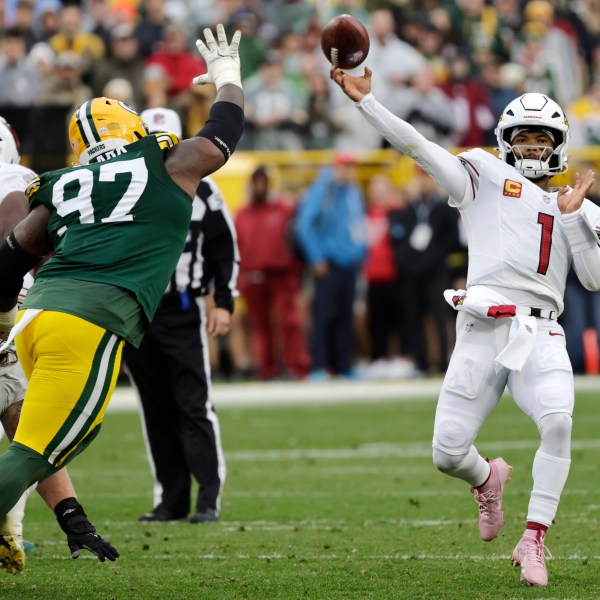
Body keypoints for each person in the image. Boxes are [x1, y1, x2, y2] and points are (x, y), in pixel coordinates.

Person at [331, 64, 600, 587]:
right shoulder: (483, 176)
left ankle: (534, 538)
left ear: (560, 144)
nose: (531, 146)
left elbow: (591, 282)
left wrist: (572, 220)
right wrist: (366, 101)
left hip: (541, 331)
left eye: (541, 137)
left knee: (560, 421)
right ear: (504, 141)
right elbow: (419, 148)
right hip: (482, 327)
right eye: (521, 136)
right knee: (448, 452)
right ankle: (487, 478)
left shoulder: (580, 207)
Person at [0, 24, 244, 556]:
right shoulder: (168, 163)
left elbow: (14, 253)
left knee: (30, 444)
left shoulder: (63, 183)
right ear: (132, 127)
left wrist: (3, 321)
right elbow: (223, 134)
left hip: (35, 321)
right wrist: (228, 78)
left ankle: (70, 524)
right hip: (88, 323)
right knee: (36, 453)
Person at [0, 116, 118, 573]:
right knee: (26, 416)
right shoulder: (17, 180)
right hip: (16, 307)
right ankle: (13, 526)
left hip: (14, 311)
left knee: (20, 411)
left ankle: (15, 526)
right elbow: (16, 219)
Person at [123, 106, 238, 524]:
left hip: (181, 309)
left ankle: (207, 497)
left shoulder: (204, 191)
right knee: (154, 407)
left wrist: (222, 300)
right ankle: (171, 499)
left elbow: (224, 247)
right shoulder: (127, 186)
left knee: (193, 404)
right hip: (138, 310)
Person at [295, 152, 367, 380]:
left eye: (350, 167)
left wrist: (361, 254)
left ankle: (344, 365)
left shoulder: (354, 192)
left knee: (346, 316)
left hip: (349, 263)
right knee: (324, 315)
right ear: (335, 167)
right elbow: (304, 226)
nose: (348, 171)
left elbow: (358, 226)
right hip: (328, 263)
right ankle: (318, 365)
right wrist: (316, 258)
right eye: (344, 166)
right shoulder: (323, 190)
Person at [234, 165, 310, 380]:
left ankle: (296, 367)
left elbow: (298, 240)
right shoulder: (242, 214)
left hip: (282, 275)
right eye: (256, 181)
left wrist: (296, 269)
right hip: (252, 276)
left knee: (289, 322)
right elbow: (237, 245)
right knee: (260, 325)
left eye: (263, 181)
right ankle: (267, 369)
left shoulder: (284, 209)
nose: (259, 186)